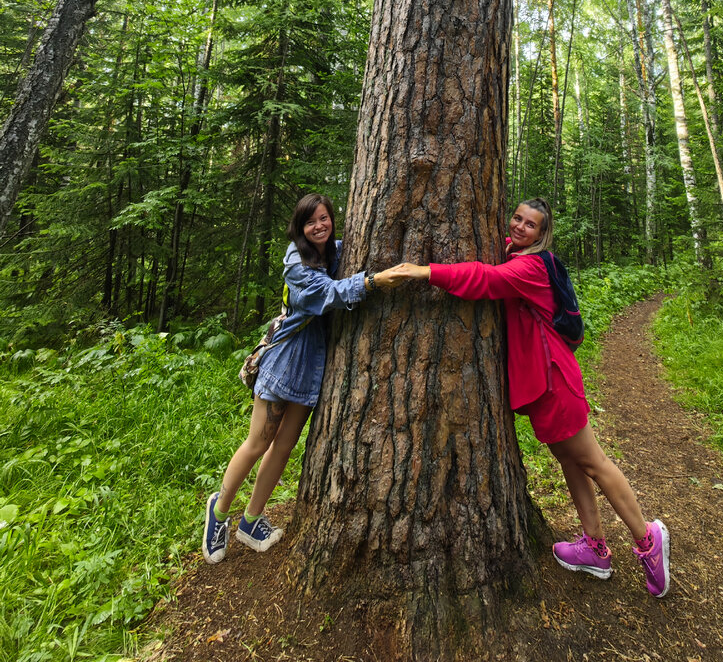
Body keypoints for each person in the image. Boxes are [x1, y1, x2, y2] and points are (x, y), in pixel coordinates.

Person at [392, 197, 671, 597]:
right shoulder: (519, 257)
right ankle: (594, 547)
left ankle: (648, 541)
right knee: (571, 463)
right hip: (545, 385)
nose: (520, 227)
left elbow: (484, 279)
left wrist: (425, 271)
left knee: (593, 461)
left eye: (531, 225)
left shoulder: (530, 266)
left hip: (554, 382)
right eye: (517, 219)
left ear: (542, 234)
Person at [202, 192, 407, 563]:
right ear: (300, 227)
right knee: (258, 443)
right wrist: (373, 281)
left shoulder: (336, 252)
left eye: (324, 218)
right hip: (284, 363)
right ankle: (219, 511)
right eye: (311, 221)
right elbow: (326, 295)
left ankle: (251, 520)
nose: (319, 226)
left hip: (313, 367)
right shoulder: (296, 262)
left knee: (283, 447)